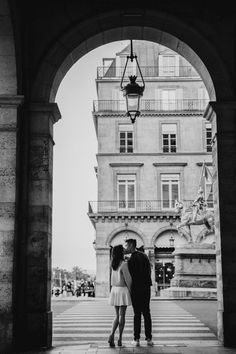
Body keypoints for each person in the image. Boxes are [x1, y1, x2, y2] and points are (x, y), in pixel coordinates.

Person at [125, 238, 154, 347]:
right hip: (146, 288)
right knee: (146, 313)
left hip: (136, 289)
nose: (126, 247)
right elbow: (149, 271)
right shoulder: (145, 256)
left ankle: (136, 339)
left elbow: (131, 276)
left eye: (127, 245)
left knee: (137, 314)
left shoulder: (131, 259)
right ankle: (149, 338)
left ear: (132, 245)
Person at [108, 244, 132, 348]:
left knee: (117, 316)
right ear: (120, 253)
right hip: (122, 290)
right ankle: (120, 339)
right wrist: (131, 292)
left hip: (114, 290)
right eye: (123, 251)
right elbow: (129, 280)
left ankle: (111, 335)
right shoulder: (124, 264)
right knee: (122, 315)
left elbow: (110, 280)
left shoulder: (112, 264)